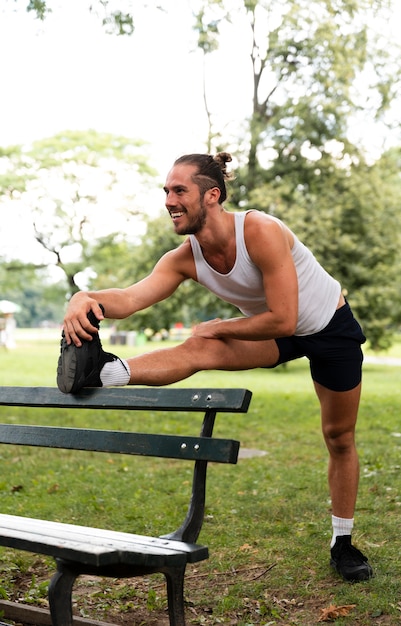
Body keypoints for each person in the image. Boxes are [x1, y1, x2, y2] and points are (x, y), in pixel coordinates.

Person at [57, 151, 373, 583]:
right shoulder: (184, 257)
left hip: (327, 327)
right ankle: (105, 371)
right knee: (199, 348)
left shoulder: (258, 230)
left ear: (211, 195)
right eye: (166, 191)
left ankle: (343, 542)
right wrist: (83, 297)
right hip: (277, 333)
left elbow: (284, 316)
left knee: (338, 437)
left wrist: (220, 326)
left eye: (179, 190)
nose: (169, 199)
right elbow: (130, 299)